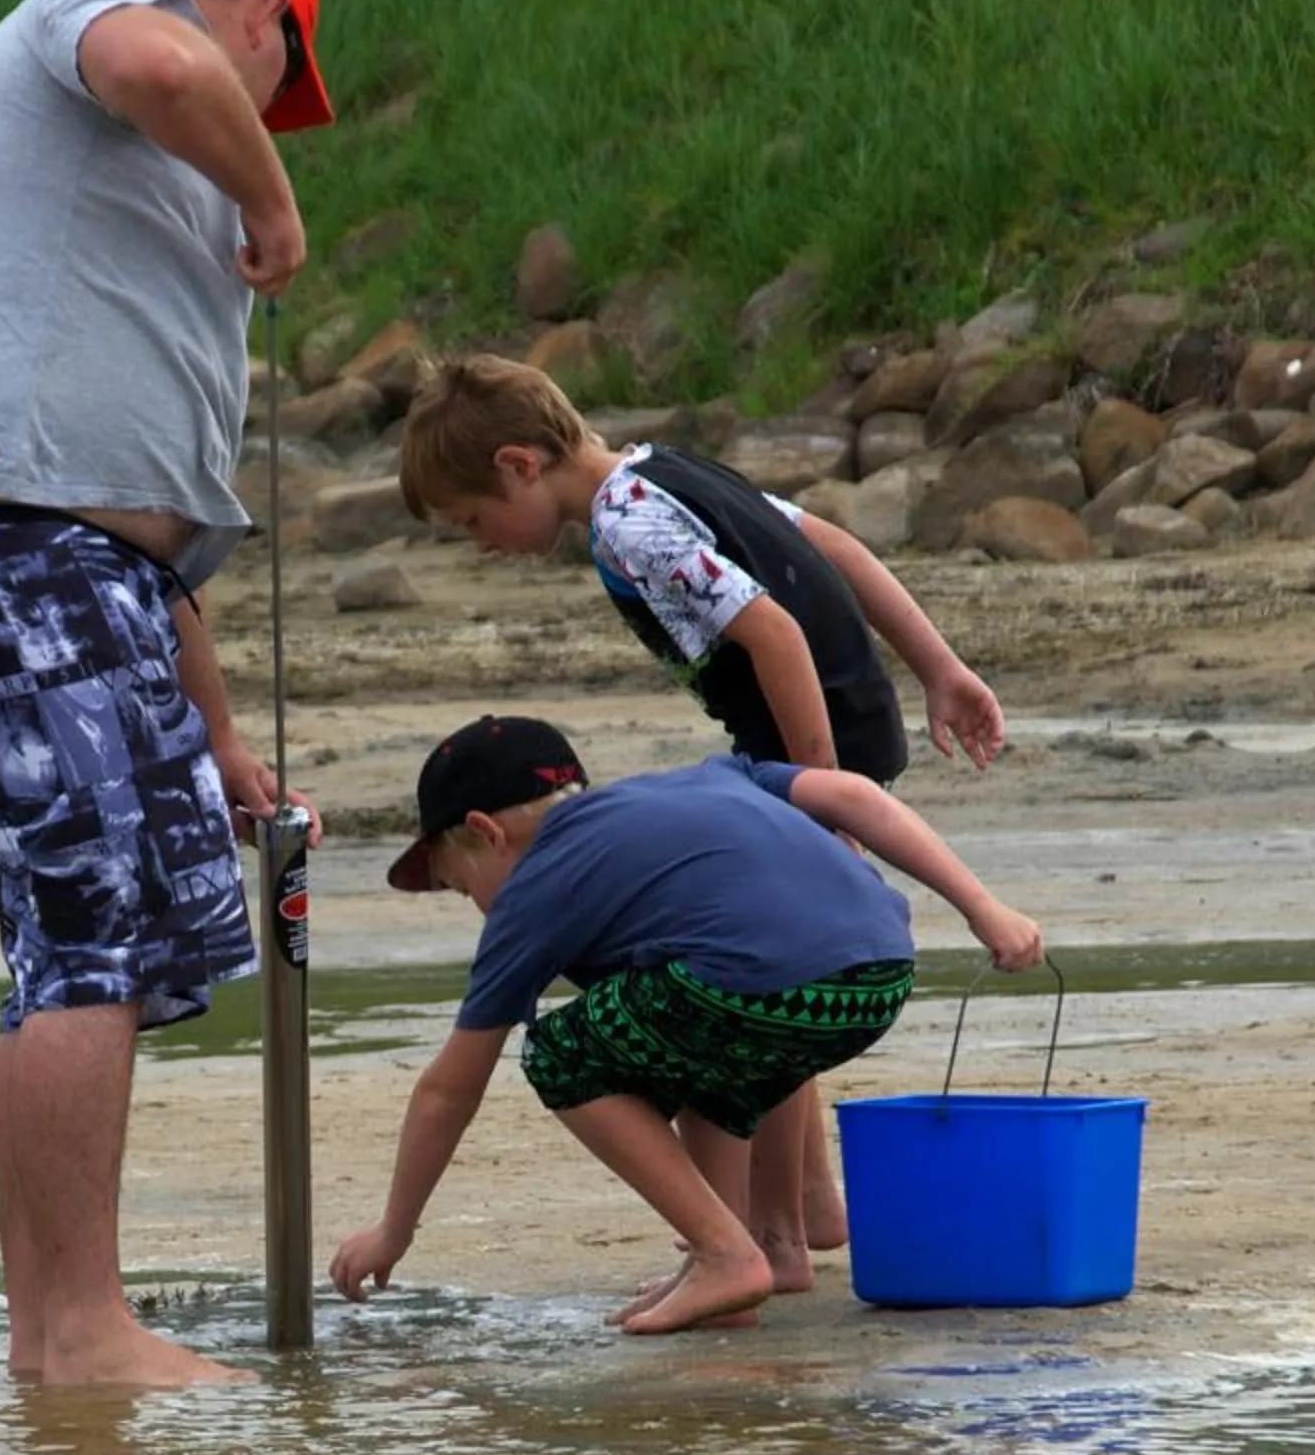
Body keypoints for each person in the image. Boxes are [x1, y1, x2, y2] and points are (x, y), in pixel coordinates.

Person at [0, 0, 336, 1388]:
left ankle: (62, 1333)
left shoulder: (153, 202)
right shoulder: (104, 10)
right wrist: (274, 204)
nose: (264, 121)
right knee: (79, 942)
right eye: (280, 88)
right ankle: (73, 1332)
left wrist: (222, 736)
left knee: (134, 938)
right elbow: (158, 62)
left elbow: (155, 536)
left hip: (96, 577)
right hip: (0, 545)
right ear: (260, 17)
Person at [395, 353, 1008, 1286]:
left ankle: (778, 1234)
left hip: (802, 739)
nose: (480, 543)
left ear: (519, 465)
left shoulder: (624, 523)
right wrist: (937, 666)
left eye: (473, 521)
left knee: (749, 963)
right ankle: (804, 1207)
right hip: (839, 724)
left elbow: (775, 633)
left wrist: (813, 780)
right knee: (760, 954)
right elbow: (830, 544)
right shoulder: (667, 471)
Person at [328, 715, 1045, 1335]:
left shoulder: (539, 884)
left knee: (561, 1052)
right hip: (878, 975)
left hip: (757, 991)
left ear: (485, 833)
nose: (476, 907)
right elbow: (854, 795)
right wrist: (985, 910)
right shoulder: (708, 779)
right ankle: (756, 1253)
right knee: (689, 1032)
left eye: (460, 886)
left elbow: (449, 1090)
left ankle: (726, 1256)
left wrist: (395, 1229)